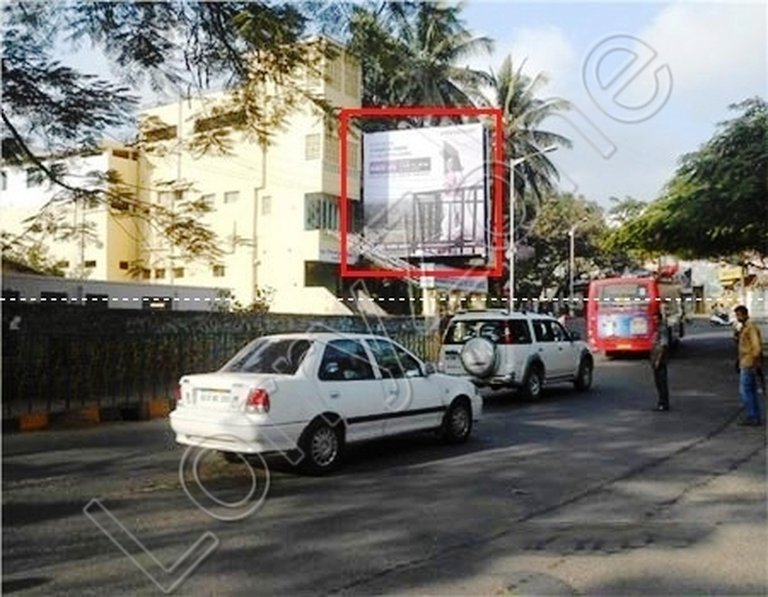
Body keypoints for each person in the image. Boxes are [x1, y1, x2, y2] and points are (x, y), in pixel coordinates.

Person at [733, 305, 764, 426]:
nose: (738, 318)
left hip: (749, 363)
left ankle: (752, 416)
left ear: (745, 314)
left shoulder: (751, 328)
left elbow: (756, 347)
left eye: (739, 315)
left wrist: (756, 363)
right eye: (737, 315)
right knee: (750, 391)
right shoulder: (744, 327)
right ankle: (754, 416)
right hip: (744, 362)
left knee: (745, 391)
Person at [650, 310, 670, 411]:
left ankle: (664, 404)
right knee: (658, 383)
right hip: (655, 359)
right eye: (653, 318)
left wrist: (658, 360)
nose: (654, 320)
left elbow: (663, 346)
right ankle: (660, 402)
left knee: (662, 383)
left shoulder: (662, 329)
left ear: (660, 319)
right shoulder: (656, 329)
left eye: (656, 318)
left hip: (660, 360)